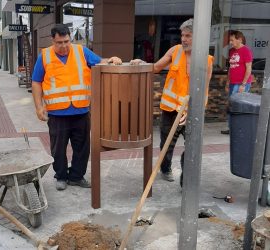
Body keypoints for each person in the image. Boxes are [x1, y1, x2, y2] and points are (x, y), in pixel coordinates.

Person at [31, 24, 122, 191]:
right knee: (58, 149)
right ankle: (61, 176)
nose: (64, 46)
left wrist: (111, 59)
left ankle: (77, 176)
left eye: (66, 41)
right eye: (59, 42)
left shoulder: (81, 51)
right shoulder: (44, 56)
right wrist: (39, 107)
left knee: (82, 147)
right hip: (57, 114)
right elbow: (36, 82)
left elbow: (100, 62)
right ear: (53, 40)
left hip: (81, 111)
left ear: (70, 38)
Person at [131, 18, 213, 186]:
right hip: (170, 109)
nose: (184, 39)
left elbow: (204, 88)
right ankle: (165, 168)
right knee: (167, 144)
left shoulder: (206, 59)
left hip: (191, 112)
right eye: (183, 35)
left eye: (188, 36)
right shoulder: (175, 51)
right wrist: (141, 63)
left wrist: (192, 110)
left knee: (192, 147)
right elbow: (155, 67)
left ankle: (186, 180)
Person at [221, 30, 253, 135]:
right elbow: (231, 68)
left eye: (232, 40)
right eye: (229, 40)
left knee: (238, 106)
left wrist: (243, 85)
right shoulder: (232, 51)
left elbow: (249, 69)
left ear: (239, 39)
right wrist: (227, 82)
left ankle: (239, 128)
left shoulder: (246, 51)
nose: (230, 42)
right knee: (231, 105)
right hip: (232, 83)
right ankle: (232, 128)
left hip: (241, 83)